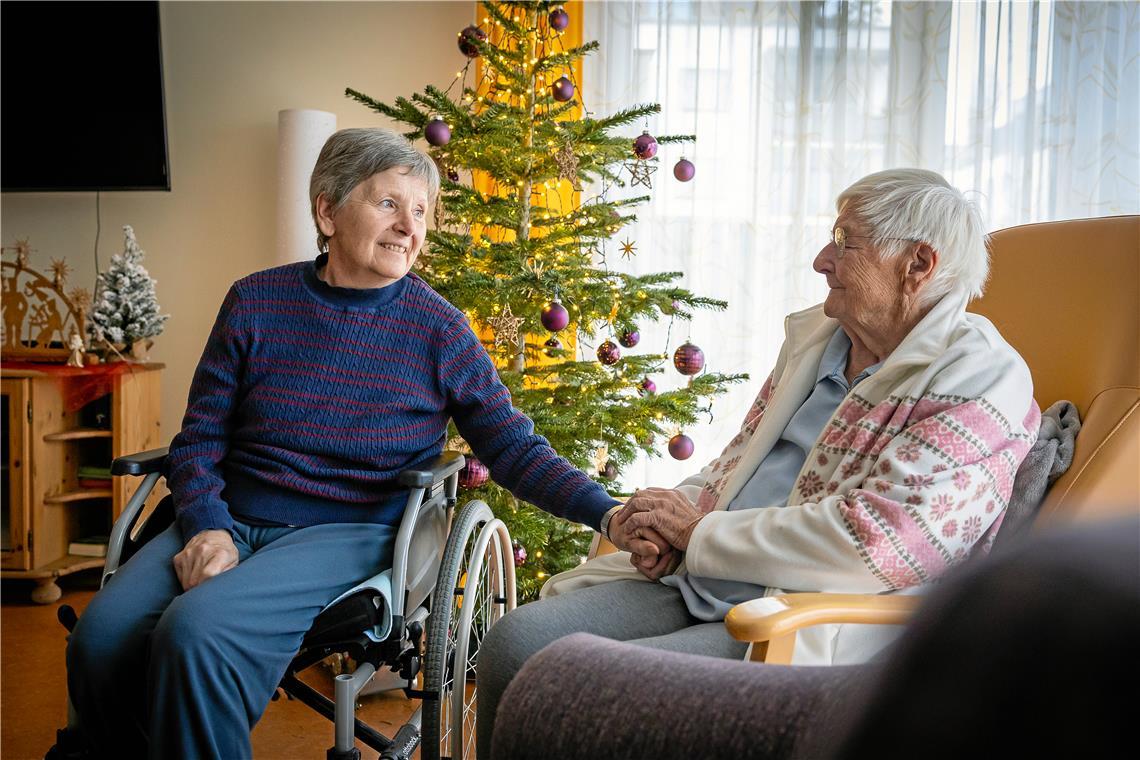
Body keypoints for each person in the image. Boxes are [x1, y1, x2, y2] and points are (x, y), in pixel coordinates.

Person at [65, 128, 657, 759]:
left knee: (197, 633)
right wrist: (207, 525)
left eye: (421, 211)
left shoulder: (439, 329)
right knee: (99, 637)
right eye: (388, 204)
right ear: (327, 210)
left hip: (348, 533)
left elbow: (513, 446)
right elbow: (201, 437)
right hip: (229, 516)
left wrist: (610, 512)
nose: (410, 226)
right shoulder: (256, 301)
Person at [476, 168, 1042, 758]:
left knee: (585, 690)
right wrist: (664, 521)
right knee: (516, 645)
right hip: (698, 577)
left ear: (917, 264)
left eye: (846, 242)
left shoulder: (980, 378)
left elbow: (884, 543)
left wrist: (698, 534)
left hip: (796, 610)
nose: (823, 260)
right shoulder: (820, 339)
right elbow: (737, 464)